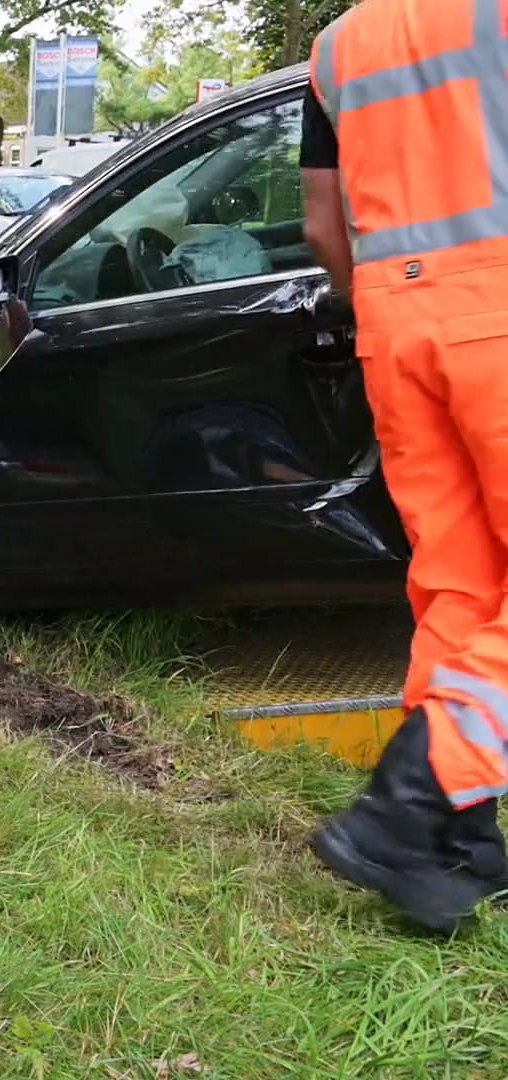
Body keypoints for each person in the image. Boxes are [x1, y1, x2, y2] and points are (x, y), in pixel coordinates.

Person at [300, 0, 508, 932]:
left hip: (393, 321)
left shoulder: (337, 44)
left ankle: (456, 843)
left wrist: (384, 307)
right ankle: (413, 799)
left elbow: (319, 222)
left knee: (457, 586)